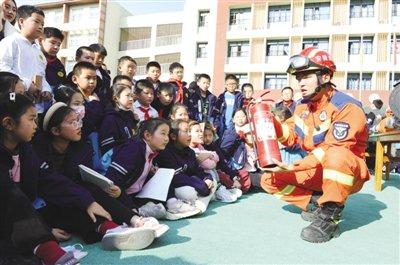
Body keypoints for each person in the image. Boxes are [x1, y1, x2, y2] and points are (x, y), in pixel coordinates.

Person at [255, 47, 370, 243]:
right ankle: (316, 204)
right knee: (269, 179)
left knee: (336, 155)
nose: (300, 82)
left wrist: (293, 166)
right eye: (298, 77)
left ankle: (330, 217)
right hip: (316, 170)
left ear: (325, 77)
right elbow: (290, 138)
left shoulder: (347, 106)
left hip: (346, 170)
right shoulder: (302, 106)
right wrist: (269, 120)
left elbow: (330, 149)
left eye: (306, 76)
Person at [33, 103, 167, 242]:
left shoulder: (82, 150)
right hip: (46, 206)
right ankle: (125, 224)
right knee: (83, 198)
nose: (79, 125)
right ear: (55, 131)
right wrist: (87, 202)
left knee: (95, 188)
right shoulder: (37, 151)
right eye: (73, 123)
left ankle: (122, 227)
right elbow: (53, 184)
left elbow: (84, 183)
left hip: (73, 201)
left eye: (79, 120)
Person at [0, 93, 81, 265]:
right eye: (31, 119)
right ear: (8, 123)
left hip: (14, 224)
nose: (35, 125)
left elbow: (48, 179)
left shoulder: (26, 151)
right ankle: (47, 249)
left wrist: (88, 201)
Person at [105, 118, 199, 220]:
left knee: (162, 181)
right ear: (148, 135)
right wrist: (131, 207)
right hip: (119, 196)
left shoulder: (152, 151)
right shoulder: (133, 149)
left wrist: (151, 172)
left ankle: (171, 204)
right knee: (159, 211)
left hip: (135, 194)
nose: (167, 139)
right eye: (163, 134)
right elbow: (113, 183)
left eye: (167, 134)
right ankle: (135, 213)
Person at [0, 5, 53, 114]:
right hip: (13, 102)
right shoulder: (10, 42)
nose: (40, 27)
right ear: (21, 21)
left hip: (35, 107)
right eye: (36, 22)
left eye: (42, 24)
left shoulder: (39, 53)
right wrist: (27, 84)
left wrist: (46, 90)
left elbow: (41, 75)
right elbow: (4, 70)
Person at [156, 119, 215, 214]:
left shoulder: (189, 152)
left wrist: (207, 178)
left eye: (189, 131)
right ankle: (196, 202)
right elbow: (175, 177)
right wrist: (198, 184)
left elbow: (198, 170)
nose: (190, 134)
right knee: (189, 193)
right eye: (186, 131)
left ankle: (197, 203)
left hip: (191, 183)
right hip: (176, 186)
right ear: (173, 136)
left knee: (213, 182)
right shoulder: (166, 152)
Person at [188, 121, 241, 203]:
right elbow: (209, 164)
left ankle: (220, 190)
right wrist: (211, 157)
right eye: (205, 135)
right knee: (212, 172)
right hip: (199, 176)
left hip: (211, 173)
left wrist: (234, 178)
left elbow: (219, 159)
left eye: (210, 135)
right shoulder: (193, 148)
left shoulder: (205, 146)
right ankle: (218, 191)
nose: (206, 138)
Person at [220, 108, 254, 193]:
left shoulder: (251, 129)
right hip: (234, 164)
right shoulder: (229, 132)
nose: (240, 119)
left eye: (243, 116)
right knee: (245, 186)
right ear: (233, 119)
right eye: (237, 117)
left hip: (249, 162)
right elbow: (223, 147)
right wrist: (237, 135)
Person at [99, 83, 138, 155]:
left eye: (131, 96)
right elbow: (108, 147)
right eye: (127, 96)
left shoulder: (129, 115)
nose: (131, 99)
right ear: (116, 98)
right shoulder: (110, 119)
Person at [71, 61, 104, 138]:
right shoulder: (72, 98)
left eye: (94, 78)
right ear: (75, 79)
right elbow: (86, 122)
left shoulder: (100, 96)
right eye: (88, 78)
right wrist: (94, 103)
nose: (92, 82)